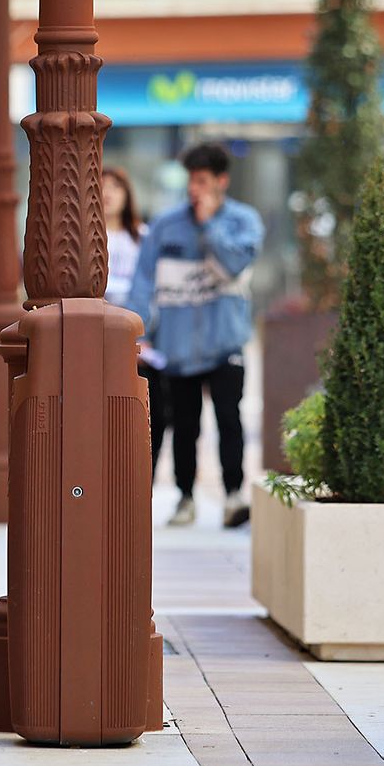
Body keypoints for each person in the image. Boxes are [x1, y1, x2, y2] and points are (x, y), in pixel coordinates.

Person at [126, 143, 263, 529]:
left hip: (225, 344)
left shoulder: (243, 221)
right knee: (185, 426)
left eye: (202, 180)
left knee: (229, 420)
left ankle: (234, 495)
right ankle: (185, 497)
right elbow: (144, 281)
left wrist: (209, 226)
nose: (194, 188)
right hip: (176, 346)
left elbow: (236, 263)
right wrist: (138, 330)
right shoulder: (166, 226)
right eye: (191, 180)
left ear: (222, 181)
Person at [103, 166, 168, 476]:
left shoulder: (144, 237)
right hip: (98, 342)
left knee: (146, 414)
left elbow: (157, 288)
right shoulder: (82, 240)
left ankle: (143, 480)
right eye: (101, 185)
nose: (107, 193)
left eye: (115, 186)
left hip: (142, 342)